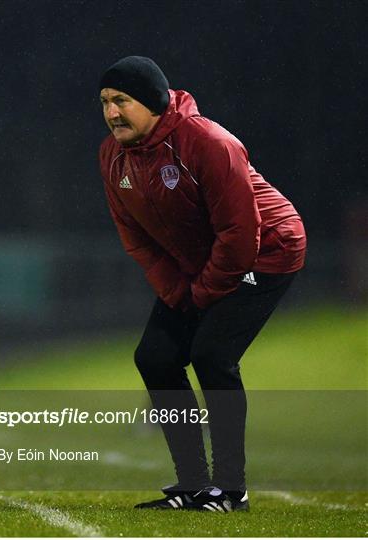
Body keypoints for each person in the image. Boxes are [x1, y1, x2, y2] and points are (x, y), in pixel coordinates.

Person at [98, 56, 306, 512]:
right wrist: (179, 294)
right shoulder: (112, 156)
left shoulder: (209, 143)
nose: (112, 112)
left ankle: (231, 490)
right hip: (201, 263)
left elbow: (240, 233)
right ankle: (193, 484)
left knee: (212, 355)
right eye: (105, 102)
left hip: (267, 250)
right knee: (154, 357)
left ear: (152, 101)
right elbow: (136, 239)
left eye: (122, 101)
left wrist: (202, 294)